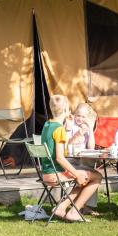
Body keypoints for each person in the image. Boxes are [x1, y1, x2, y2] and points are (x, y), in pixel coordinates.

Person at [39, 94, 102, 222]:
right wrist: (76, 174)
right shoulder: (59, 129)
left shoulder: (46, 125)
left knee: (83, 178)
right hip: (56, 173)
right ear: (67, 109)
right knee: (97, 177)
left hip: (46, 173)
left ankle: (61, 207)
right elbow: (60, 158)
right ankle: (74, 211)